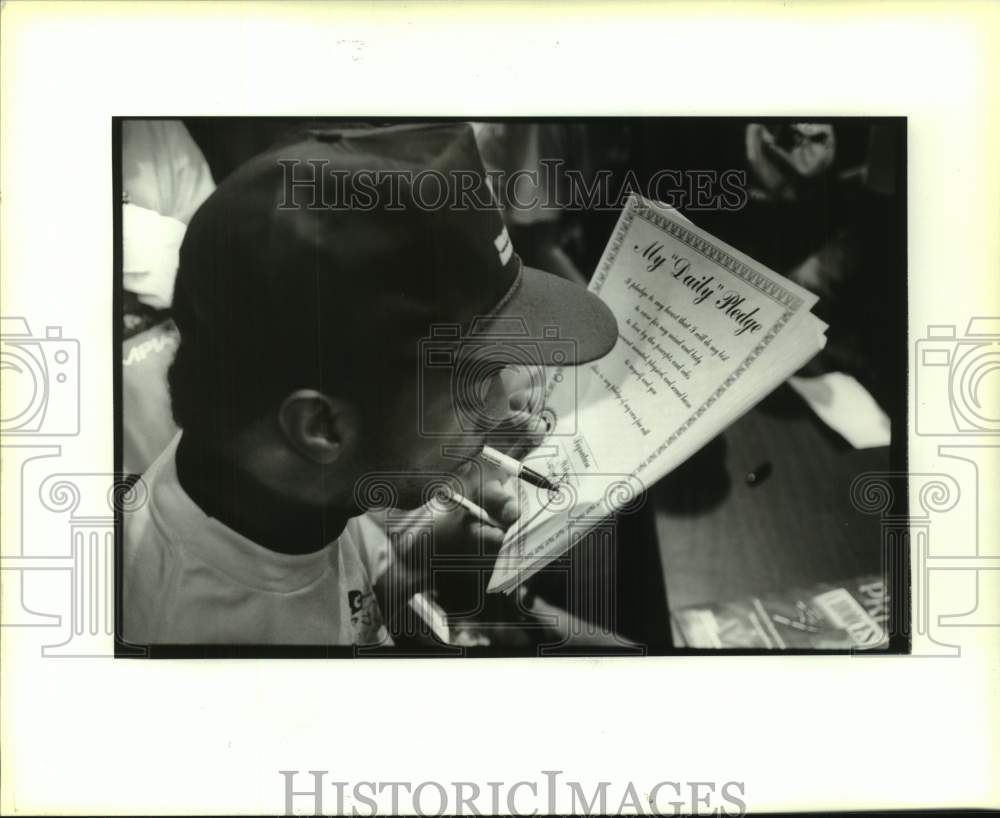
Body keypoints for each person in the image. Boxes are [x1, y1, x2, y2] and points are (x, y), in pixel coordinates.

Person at [121, 122, 618, 646]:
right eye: (473, 377)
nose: (498, 407)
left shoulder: (267, 486)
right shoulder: (211, 649)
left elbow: (341, 603)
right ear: (321, 425)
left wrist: (416, 566)